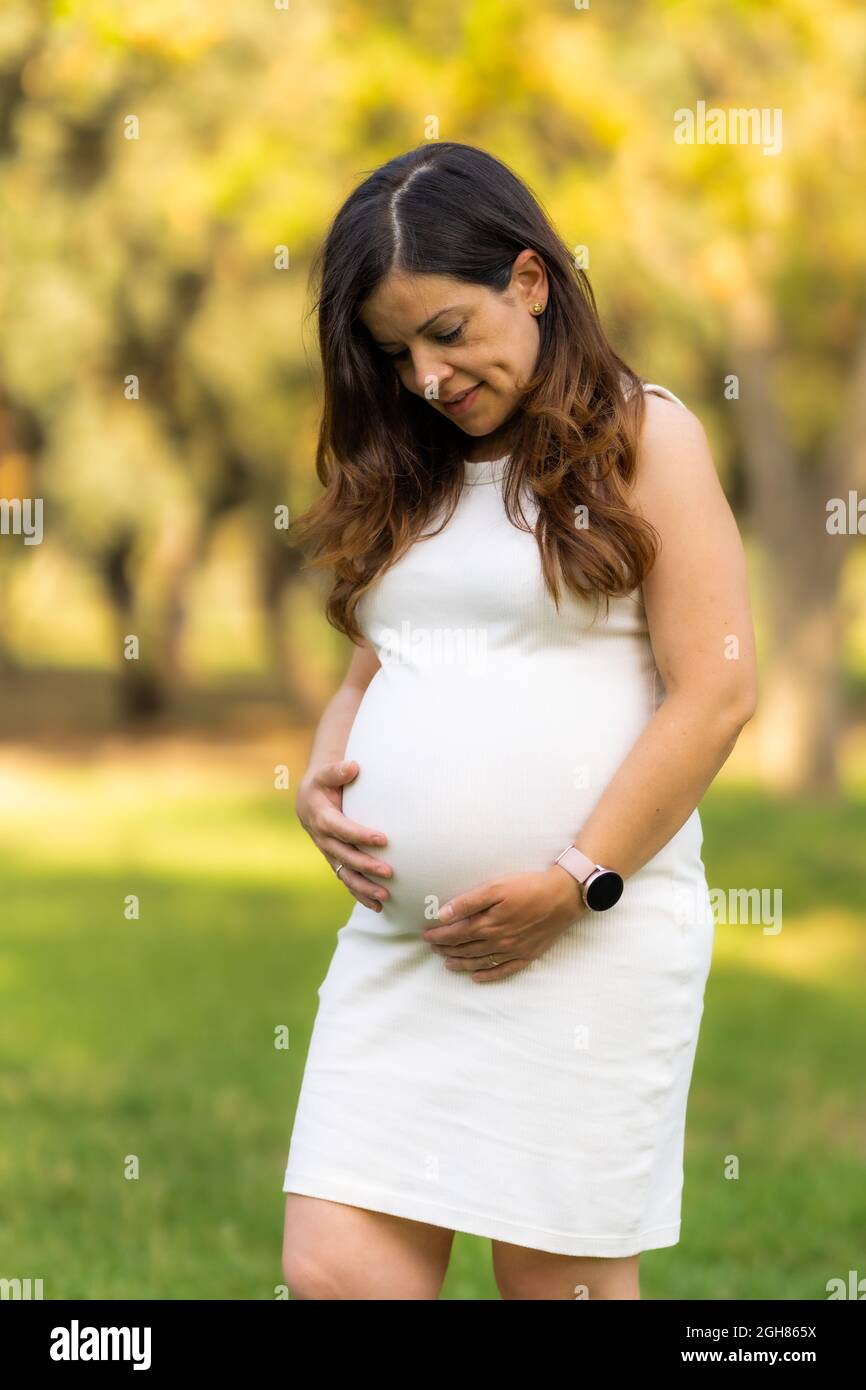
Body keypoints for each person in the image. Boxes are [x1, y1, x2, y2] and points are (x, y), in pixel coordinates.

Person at [279, 141, 758, 1301]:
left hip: (587, 940)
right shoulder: (411, 469)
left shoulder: (645, 438)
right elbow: (371, 666)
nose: (427, 377)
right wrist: (321, 775)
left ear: (531, 280)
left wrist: (575, 878)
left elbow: (717, 691)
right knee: (336, 1270)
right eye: (395, 353)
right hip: (403, 952)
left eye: (446, 331)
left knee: (558, 1286)